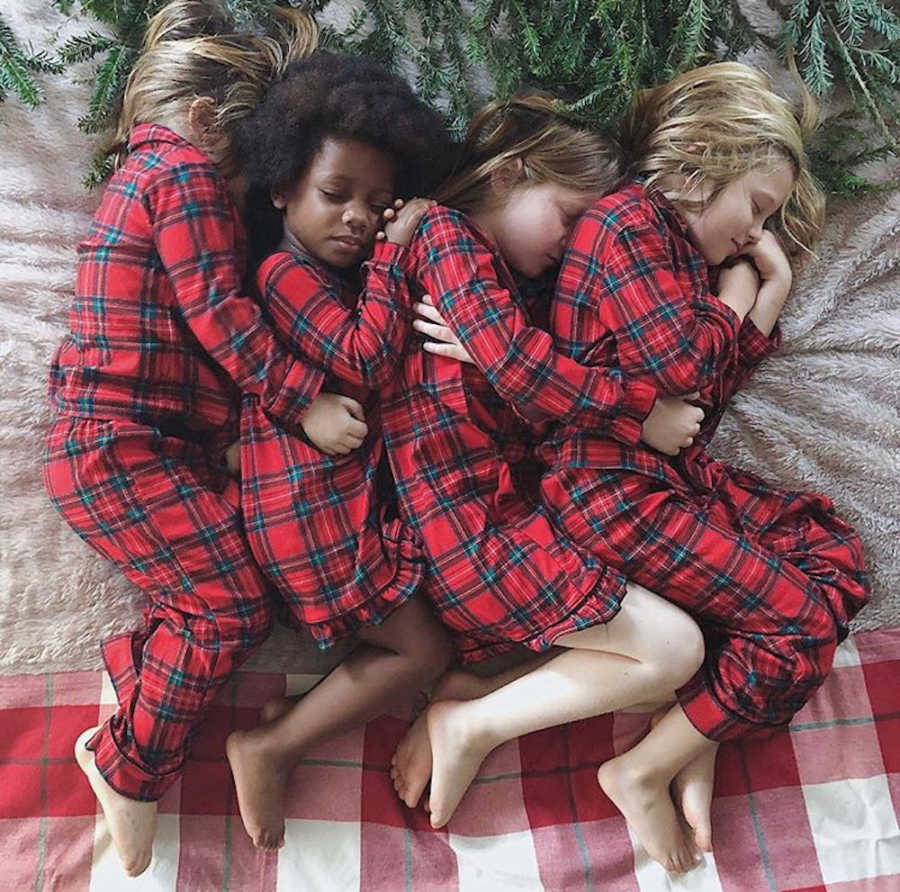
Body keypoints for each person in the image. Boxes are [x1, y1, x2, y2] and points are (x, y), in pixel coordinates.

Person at [408, 62, 870, 872]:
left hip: (655, 476)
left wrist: (768, 294)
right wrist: (739, 298)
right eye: (756, 208)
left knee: (827, 556)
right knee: (793, 621)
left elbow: (697, 408)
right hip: (606, 488)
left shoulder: (676, 260)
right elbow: (686, 369)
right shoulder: (626, 225)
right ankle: (645, 767)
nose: (756, 235)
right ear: (696, 159)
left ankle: (694, 742)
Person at [379, 94, 731, 868]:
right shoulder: (445, 233)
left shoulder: (517, 283)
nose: (577, 246)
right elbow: (518, 367)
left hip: (513, 522)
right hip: (472, 534)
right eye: (570, 218)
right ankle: (473, 722)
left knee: (683, 657)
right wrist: (636, 414)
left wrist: (744, 297)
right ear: (509, 174)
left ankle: (472, 699)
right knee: (674, 653)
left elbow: (524, 374)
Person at [41, 0, 321, 877]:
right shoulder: (181, 175)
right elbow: (219, 316)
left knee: (237, 587)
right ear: (205, 122)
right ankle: (127, 767)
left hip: (136, 441)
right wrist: (297, 397)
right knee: (231, 605)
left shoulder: (151, 177)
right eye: (248, 179)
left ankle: (137, 670)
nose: (244, 205)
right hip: (115, 443)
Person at [220, 50, 463, 852]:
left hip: (336, 504)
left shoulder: (337, 275)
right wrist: (399, 250)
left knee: (424, 638)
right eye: (336, 196)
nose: (359, 218)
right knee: (423, 650)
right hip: (310, 513)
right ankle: (271, 746)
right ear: (282, 186)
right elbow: (362, 358)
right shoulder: (282, 277)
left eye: (378, 204)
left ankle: (290, 724)